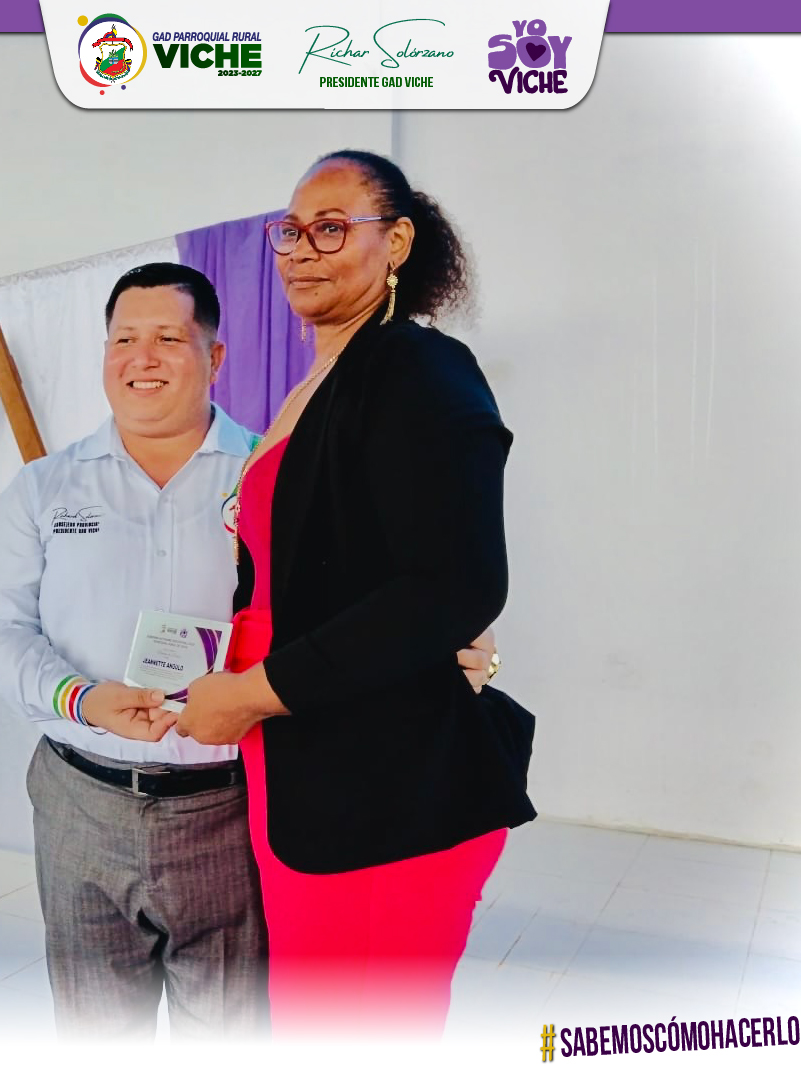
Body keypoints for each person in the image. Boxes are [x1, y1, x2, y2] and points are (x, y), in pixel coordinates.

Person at [0, 261, 497, 1039]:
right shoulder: (45, 489)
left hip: (231, 809)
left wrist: (449, 643)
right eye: (123, 340)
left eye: (167, 338)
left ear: (214, 357)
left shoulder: (279, 480)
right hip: (81, 799)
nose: (142, 358)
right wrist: (80, 698)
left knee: (229, 1035)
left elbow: (375, 608)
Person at [174, 150, 533, 1037]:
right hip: (304, 758)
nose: (303, 250)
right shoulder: (314, 387)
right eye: (292, 231)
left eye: (332, 229)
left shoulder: (415, 366)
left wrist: (250, 694)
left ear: (397, 242)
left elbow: (454, 581)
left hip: (383, 786)